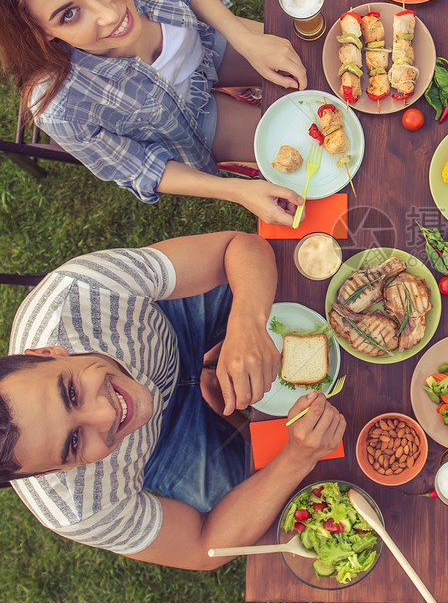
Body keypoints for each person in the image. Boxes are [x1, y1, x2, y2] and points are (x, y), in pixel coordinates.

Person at [0, 231, 345, 568]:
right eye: (74, 442)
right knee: (260, 505)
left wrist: (248, 324)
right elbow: (203, 545)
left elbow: (239, 247)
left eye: (72, 392)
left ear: (48, 353)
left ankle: (219, 386)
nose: (108, 413)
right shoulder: (76, 507)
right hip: (163, 445)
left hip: (175, 328)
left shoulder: (80, 291)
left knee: (283, 278)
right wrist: (296, 457)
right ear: (60, 470)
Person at [0, 0, 308, 225]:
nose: (110, 15)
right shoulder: (60, 108)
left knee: (312, 60)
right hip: (191, 120)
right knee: (301, 139)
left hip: (207, 39)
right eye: (69, 14)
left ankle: (243, 87)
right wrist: (237, 191)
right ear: (41, 32)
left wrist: (243, 38)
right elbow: (139, 166)